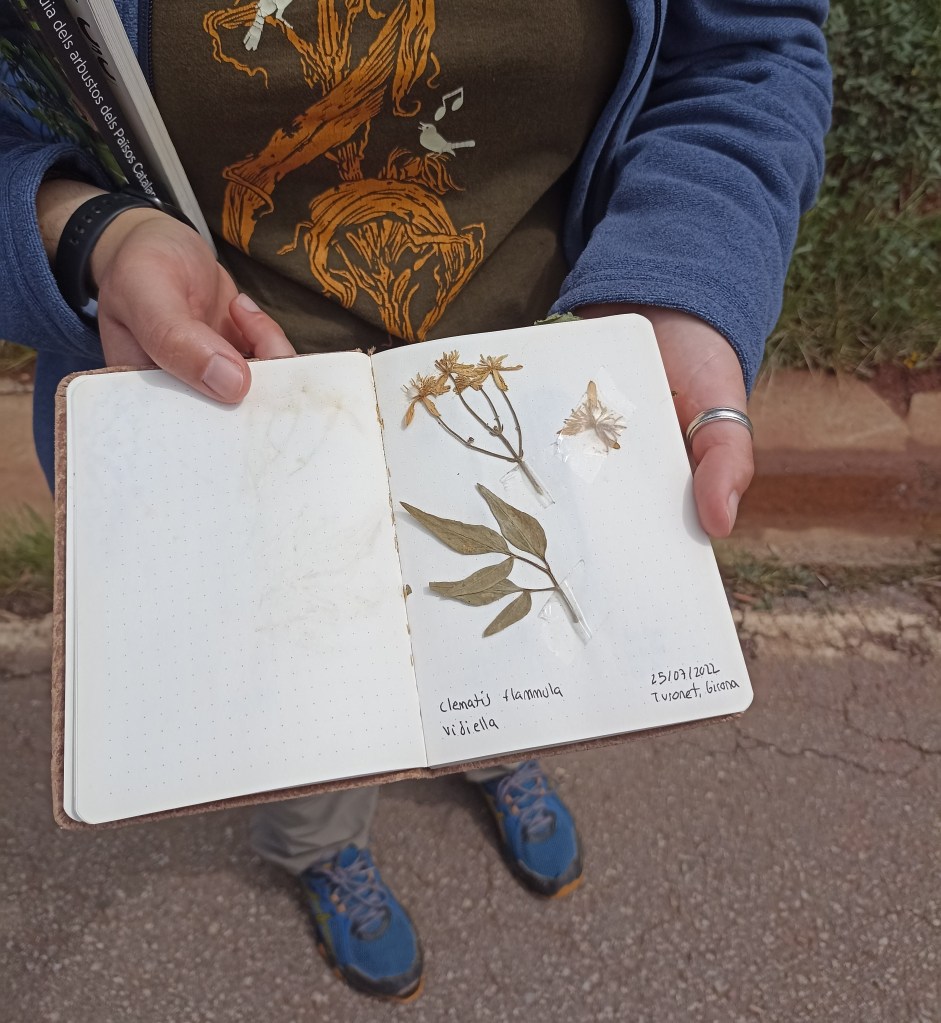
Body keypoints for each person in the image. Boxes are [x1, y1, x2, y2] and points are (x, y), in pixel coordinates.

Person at [0, 0, 831, 1003]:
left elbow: (744, 55)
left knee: (513, 635)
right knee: (309, 713)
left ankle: (493, 746)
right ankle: (321, 846)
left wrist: (681, 274)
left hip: (523, 395)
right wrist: (83, 227)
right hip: (240, 424)